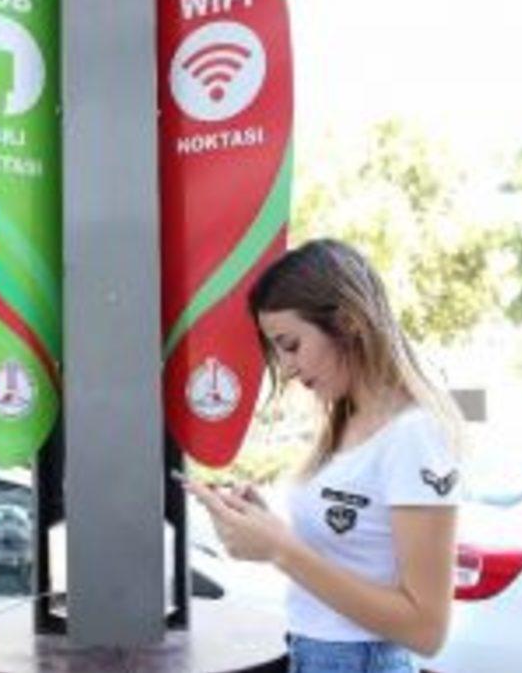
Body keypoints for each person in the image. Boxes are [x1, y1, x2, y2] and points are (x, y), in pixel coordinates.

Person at [186, 238, 466, 673]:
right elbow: (348, 557)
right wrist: (263, 525)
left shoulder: (415, 434)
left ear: (349, 323)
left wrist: (281, 549)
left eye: (291, 345)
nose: (287, 368)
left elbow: (426, 630)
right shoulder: (347, 421)